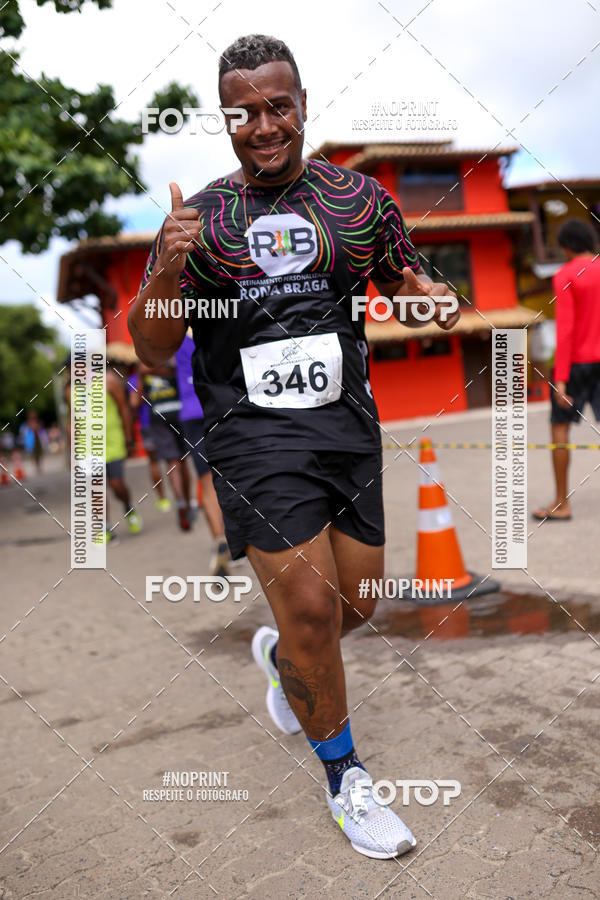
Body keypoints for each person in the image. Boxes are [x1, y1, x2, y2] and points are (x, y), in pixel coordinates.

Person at [128, 34, 459, 859]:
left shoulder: (359, 202)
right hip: (251, 441)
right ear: (226, 118)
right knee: (313, 608)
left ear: (304, 104)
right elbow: (151, 352)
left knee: (355, 607)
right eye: (246, 112)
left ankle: (281, 656)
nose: (265, 125)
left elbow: (411, 285)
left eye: (280, 106)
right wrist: (167, 274)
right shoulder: (195, 222)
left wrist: (431, 299)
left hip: (346, 428)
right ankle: (347, 779)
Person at [533, 218, 600, 521]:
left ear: (565, 246)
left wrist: (559, 379)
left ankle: (562, 503)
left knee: (560, 429)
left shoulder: (565, 275)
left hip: (577, 365)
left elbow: (566, 329)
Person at [175, 331, 232, 575]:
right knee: (232, 475)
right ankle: (238, 537)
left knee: (207, 483)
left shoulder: (174, 331)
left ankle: (219, 540)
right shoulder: (218, 321)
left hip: (191, 411)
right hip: (221, 404)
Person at [139, 361, 194, 531]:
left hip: (158, 415)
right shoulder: (177, 358)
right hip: (179, 412)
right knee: (183, 461)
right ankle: (188, 501)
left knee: (172, 462)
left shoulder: (144, 365)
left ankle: (180, 501)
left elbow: (136, 398)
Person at [99, 364, 142, 543]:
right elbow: (73, 419)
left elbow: (124, 409)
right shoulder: (72, 389)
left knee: (116, 485)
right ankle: (105, 528)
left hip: (113, 442)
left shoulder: (108, 380)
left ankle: (127, 506)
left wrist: (129, 438)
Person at [128, 369, 172, 513]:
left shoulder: (160, 372)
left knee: (171, 460)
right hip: (149, 424)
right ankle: (164, 498)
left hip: (165, 422)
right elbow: (135, 401)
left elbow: (133, 403)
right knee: (158, 462)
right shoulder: (135, 378)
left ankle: (176, 498)